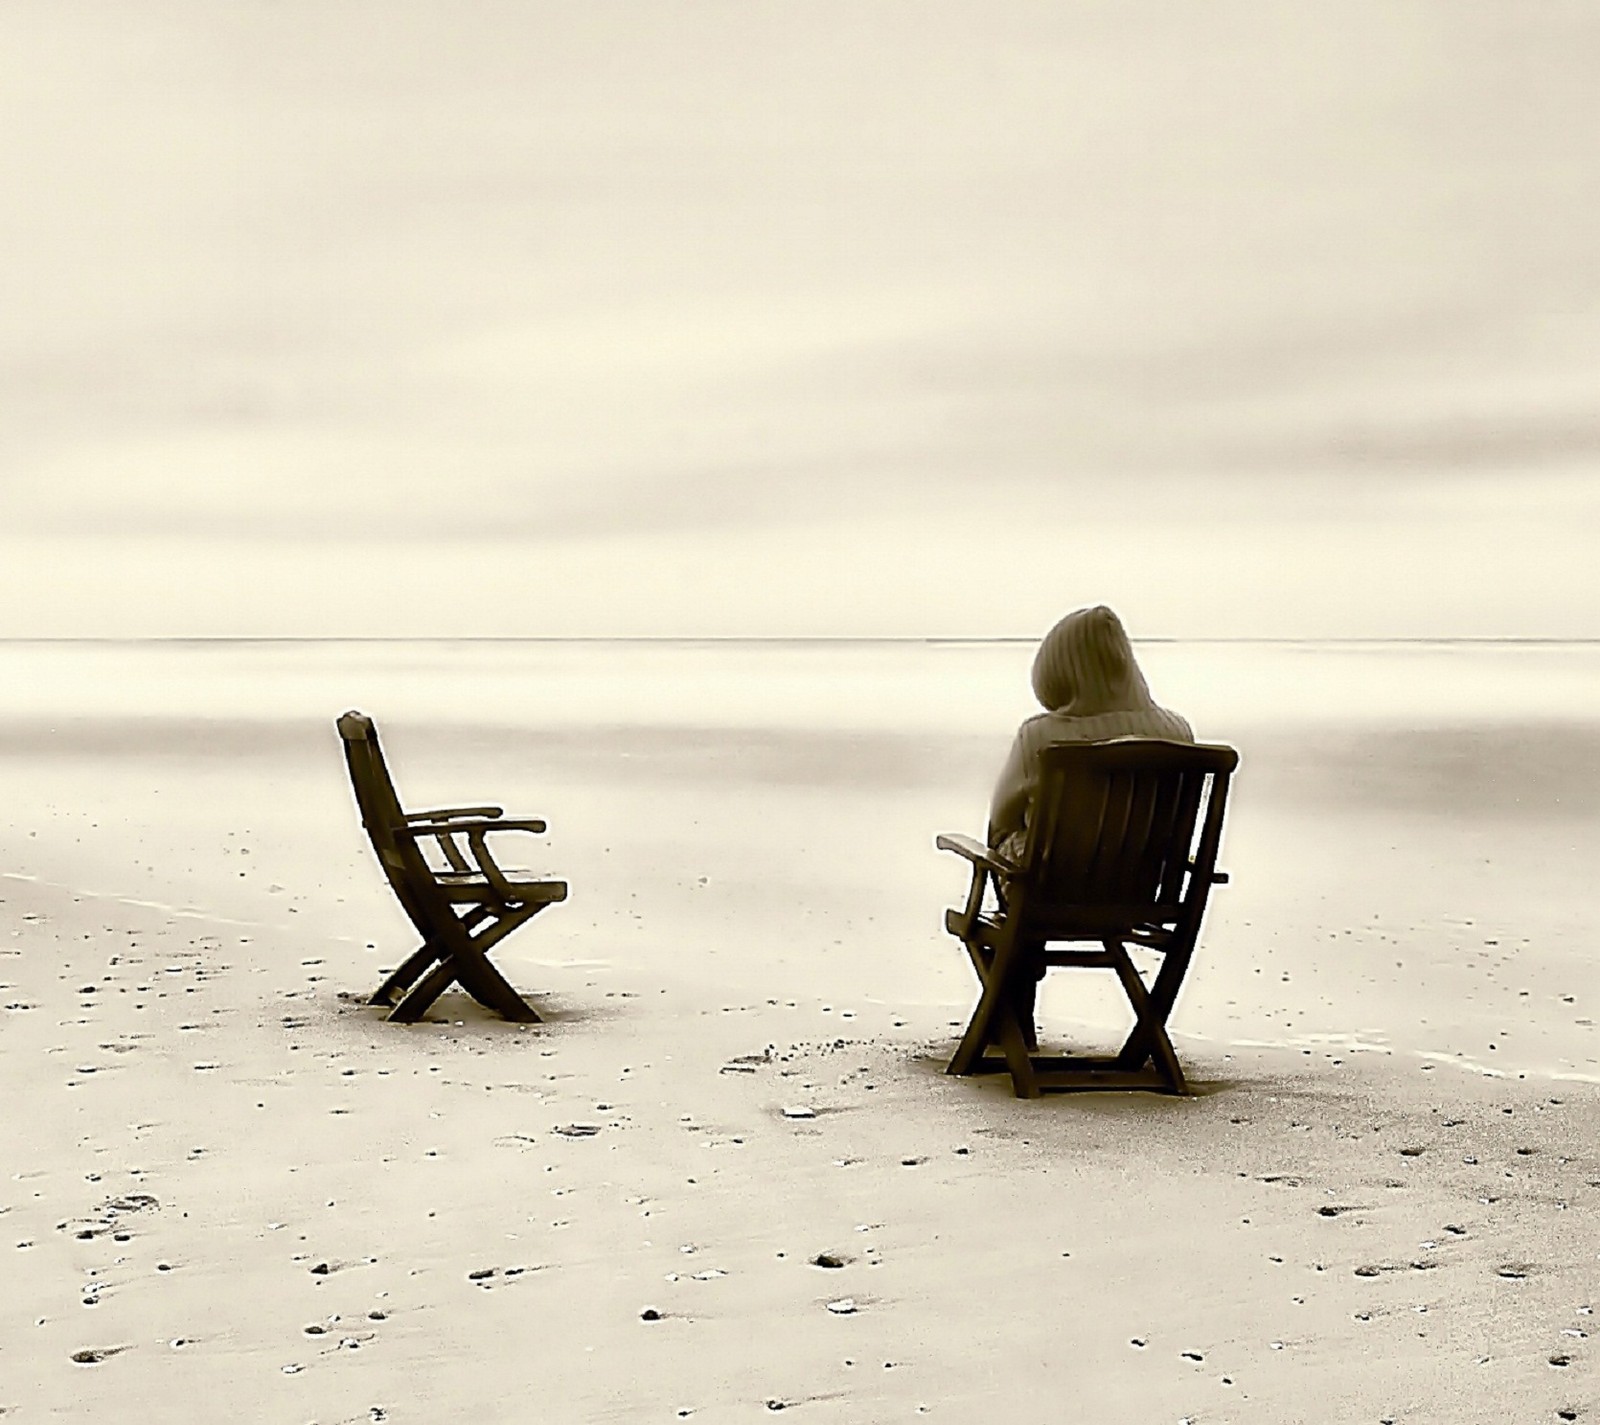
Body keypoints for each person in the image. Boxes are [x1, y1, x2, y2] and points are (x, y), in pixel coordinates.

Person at [987, 604, 1193, 867]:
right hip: (1140, 889)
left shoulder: (1039, 737)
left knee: (1004, 835)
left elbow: (1001, 819)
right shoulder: (1178, 731)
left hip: (1055, 894)